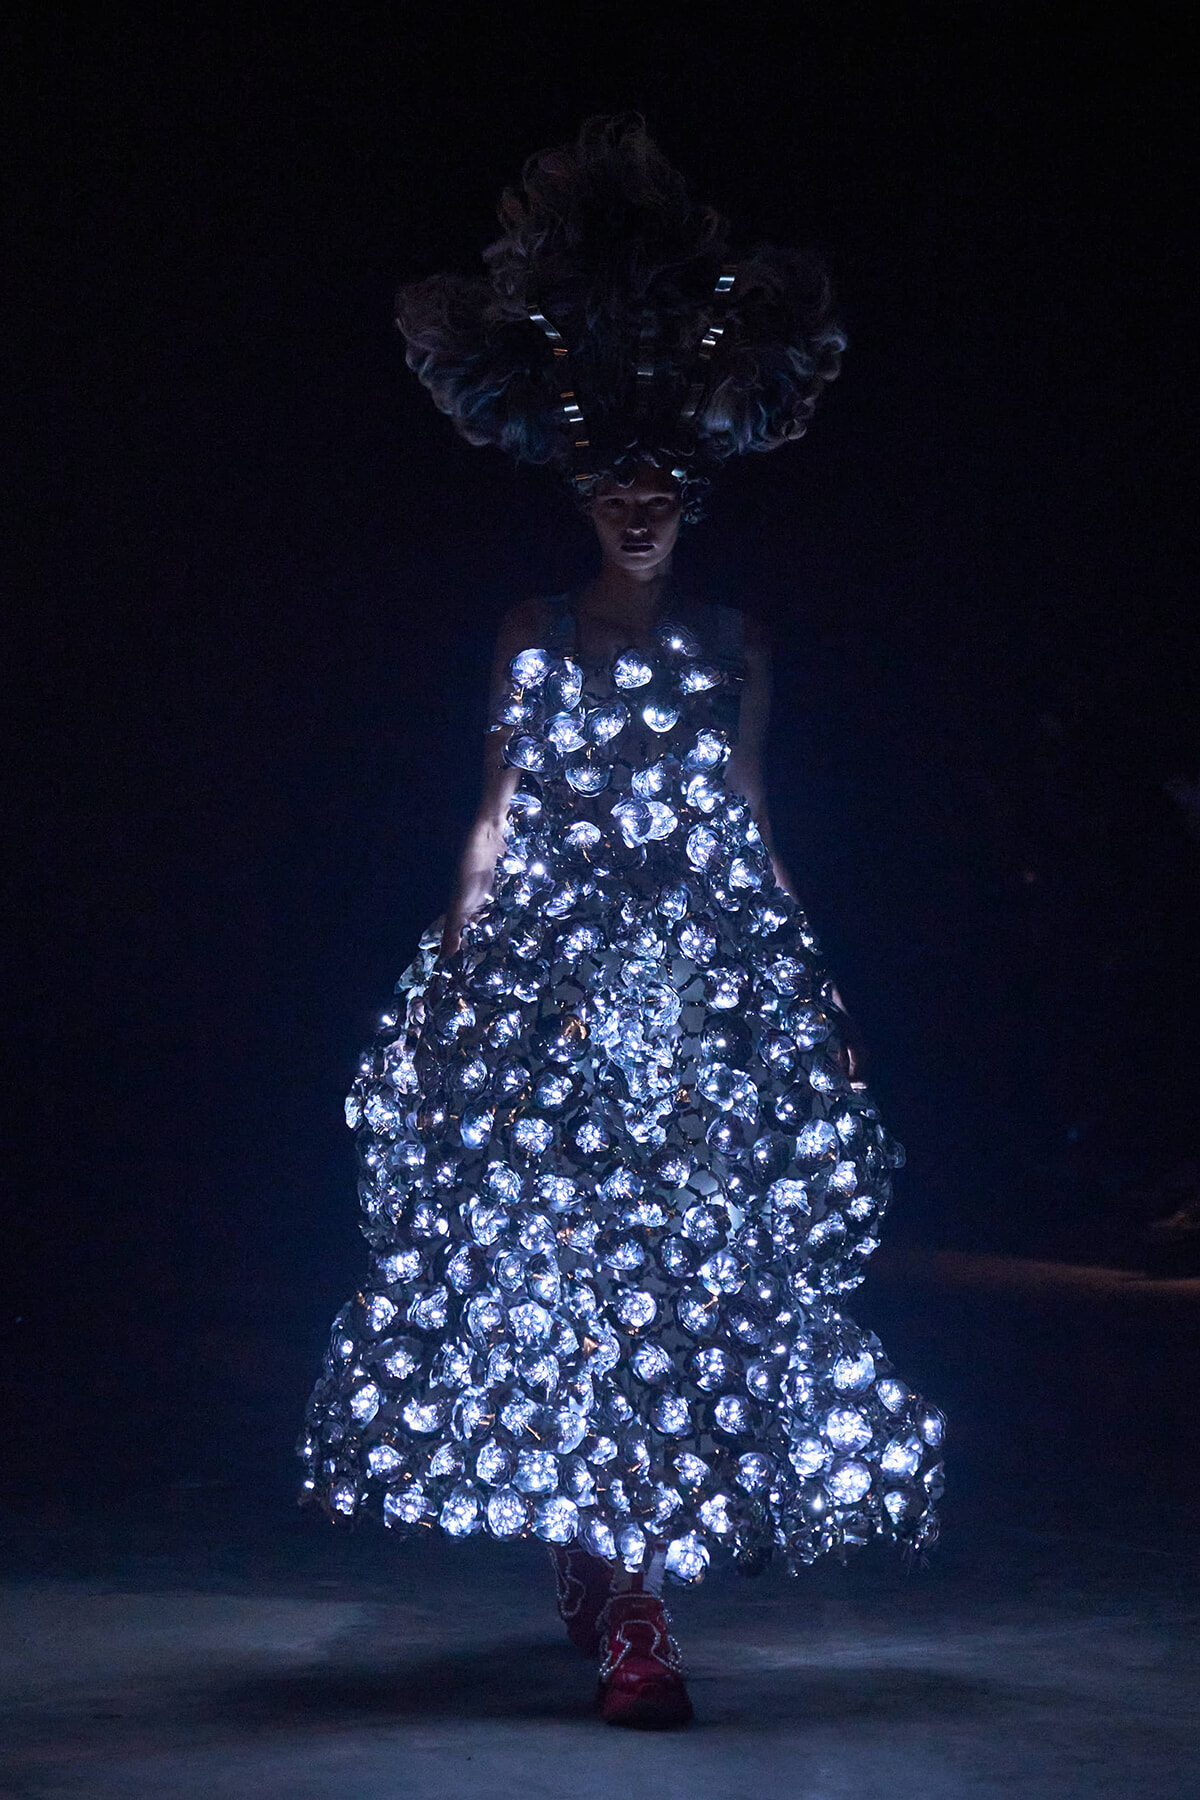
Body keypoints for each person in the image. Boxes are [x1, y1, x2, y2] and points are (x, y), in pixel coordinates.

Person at [299, 116, 944, 1729]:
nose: (637, 507)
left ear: (694, 503)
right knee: (569, 1272)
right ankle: (614, 1580)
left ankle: (635, 1589)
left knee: (678, 1281)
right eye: (613, 488)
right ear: (585, 499)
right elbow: (499, 816)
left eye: (661, 487)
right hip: (549, 989)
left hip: (700, 993)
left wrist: (813, 987)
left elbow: (753, 829)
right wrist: (460, 973)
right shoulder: (532, 632)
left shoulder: (736, 643)